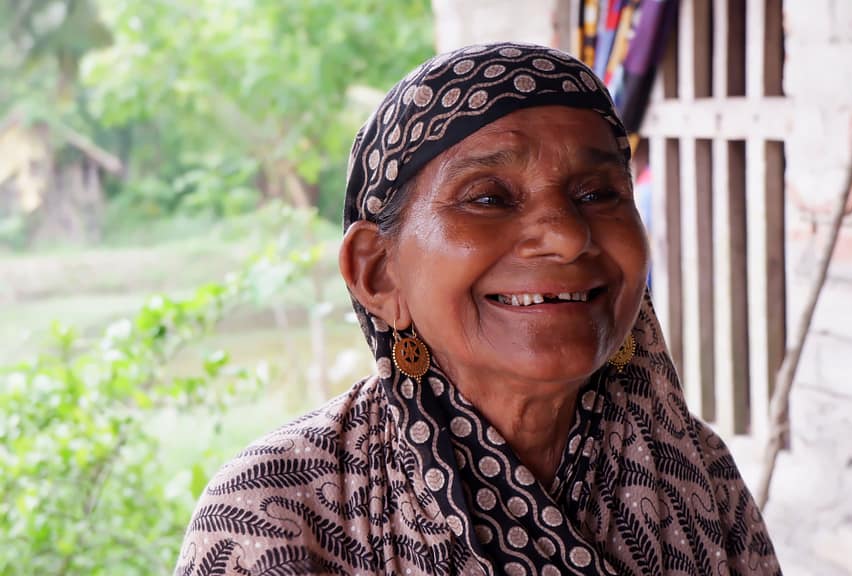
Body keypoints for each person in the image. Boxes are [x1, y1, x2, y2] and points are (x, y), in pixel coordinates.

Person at [174, 42, 781, 576]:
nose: (567, 236)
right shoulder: (276, 512)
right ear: (378, 272)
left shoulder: (693, 471)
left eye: (598, 194)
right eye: (489, 198)